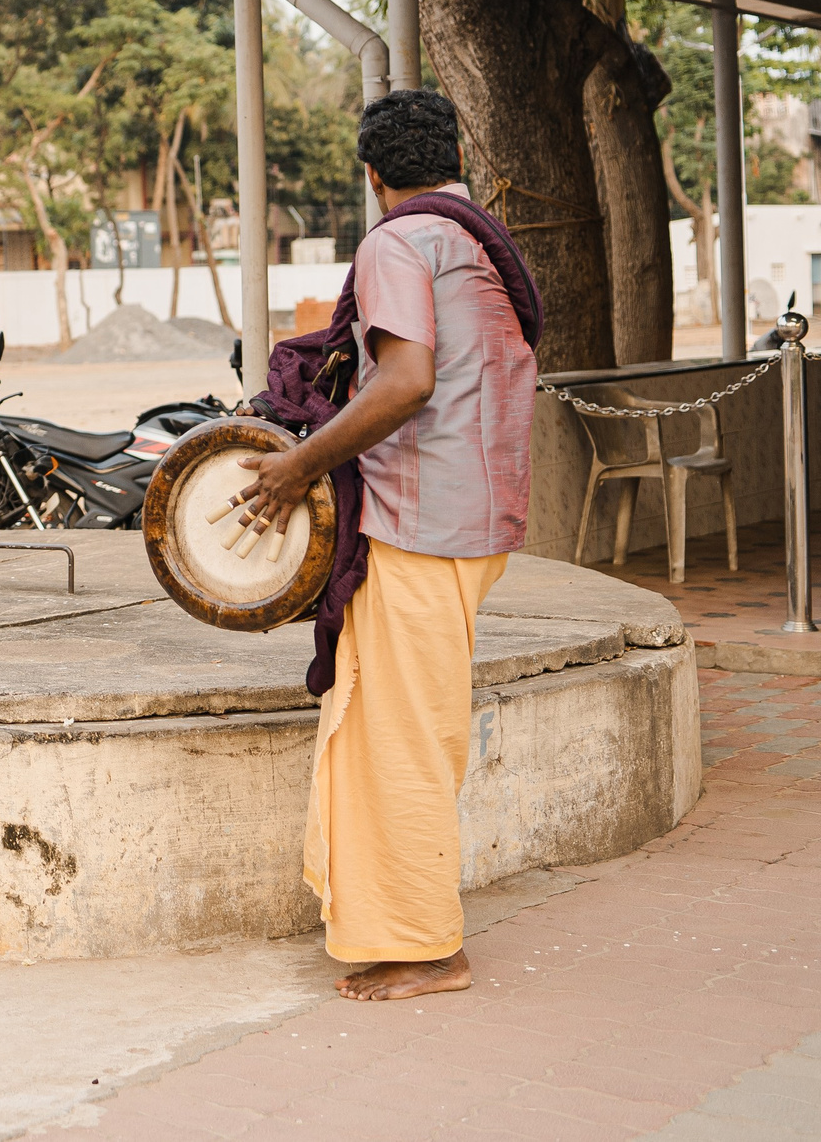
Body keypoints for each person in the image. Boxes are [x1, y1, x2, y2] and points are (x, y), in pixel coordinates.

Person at [230, 89, 537, 1002]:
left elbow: (405, 381)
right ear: (453, 158)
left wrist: (296, 468)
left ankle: (427, 945)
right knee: (403, 724)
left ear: (373, 175)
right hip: (477, 518)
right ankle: (397, 918)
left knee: (400, 737)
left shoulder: (400, 241)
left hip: (420, 522)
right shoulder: (482, 240)